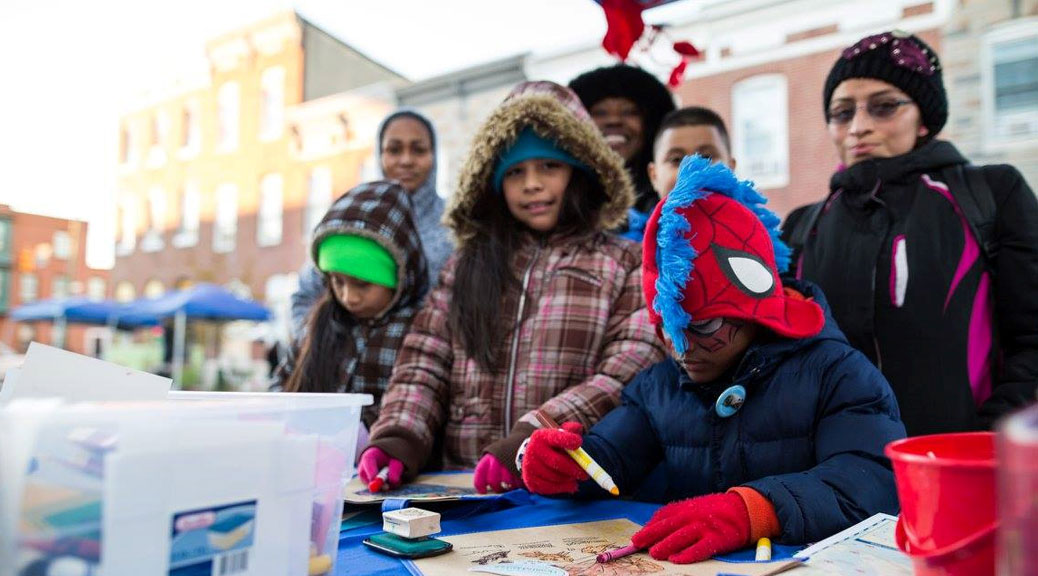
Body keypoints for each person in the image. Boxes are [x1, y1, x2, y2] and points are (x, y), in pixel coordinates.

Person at [519, 156, 905, 565]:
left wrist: (756, 510)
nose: (683, 348)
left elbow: (873, 479)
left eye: (704, 324)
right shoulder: (657, 389)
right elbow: (610, 462)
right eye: (668, 325)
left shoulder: (837, 373)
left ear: (754, 307)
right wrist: (566, 468)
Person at [356, 91, 665, 494]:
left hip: (567, 493)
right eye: (515, 172)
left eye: (549, 166)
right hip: (464, 485)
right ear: (493, 184)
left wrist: (532, 436)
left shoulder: (623, 262)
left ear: (582, 171)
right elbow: (424, 361)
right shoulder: (466, 265)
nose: (532, 184)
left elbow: (628, 367)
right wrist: (400, 436)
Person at [783, 31, 1038, 436]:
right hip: (836, 481)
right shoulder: (801, 226)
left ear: (923, 118)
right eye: (842, 112)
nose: (858, 127)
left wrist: (988, 442)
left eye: (884, 107)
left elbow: (1032, 340)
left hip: (966, 472)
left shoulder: (992, 194)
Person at [274, 181, 429, 430]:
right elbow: (283, 381)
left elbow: (418, 403)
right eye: (337, 281)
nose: (349, 297)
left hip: (379, 460)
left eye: (363, 285)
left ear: (398, 280)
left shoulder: (416, 333)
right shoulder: (320, 322)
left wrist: (364, 434)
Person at [289, 109, 452, 340]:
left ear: (434, 155)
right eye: (394, 150)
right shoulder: (356, 215)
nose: (406, 160)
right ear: (379, 154)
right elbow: (305, 295)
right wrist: (316, 350)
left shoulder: (456, 223)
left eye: (418, 150)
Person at [569, 64, 676, 240]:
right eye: (600, 112)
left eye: (629, 112)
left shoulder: (672, 199)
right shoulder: (563, 203)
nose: (614, 120)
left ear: (650, 126)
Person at [649, 106, 735, 199]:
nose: (692, 172)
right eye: (676, 159)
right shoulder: (631, 213)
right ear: (654, 176)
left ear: (731, 168)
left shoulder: (749, 213)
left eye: (706, 157)